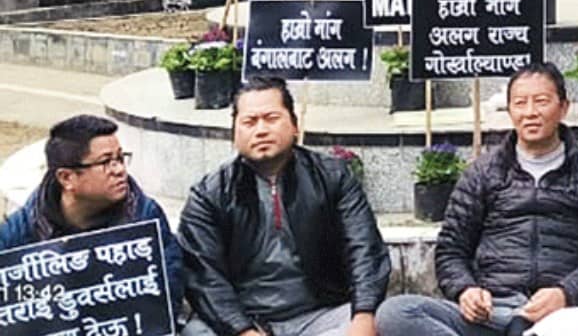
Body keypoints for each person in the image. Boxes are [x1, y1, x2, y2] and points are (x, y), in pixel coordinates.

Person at [377, 62, 578, 336]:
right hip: (494, 310)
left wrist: (567, 292)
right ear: (510, 110)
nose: (530, 112)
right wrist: (466, 289)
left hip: (559, 314)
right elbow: (451, 248)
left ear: (563, 107)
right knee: (396, 313)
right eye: (520, 103)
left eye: (541, 101)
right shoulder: (484, 172)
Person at [178, 76, 390, 336]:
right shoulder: (209, 195)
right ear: (234, 132)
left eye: (271, 118)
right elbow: (203, 277)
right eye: (249, 122)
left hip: (321, 315)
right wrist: (243, 330)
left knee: (389, 318)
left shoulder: (332, 177)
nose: (261, 130)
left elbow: (364, 249)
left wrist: (364, 315)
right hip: (246, 320)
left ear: (294, 125)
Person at [0, 114, 183, 314]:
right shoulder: (20, 232)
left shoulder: (145, 217)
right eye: (106, 162)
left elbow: (168, 295)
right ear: (66, 178)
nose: (119, 170)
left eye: (120, 158)